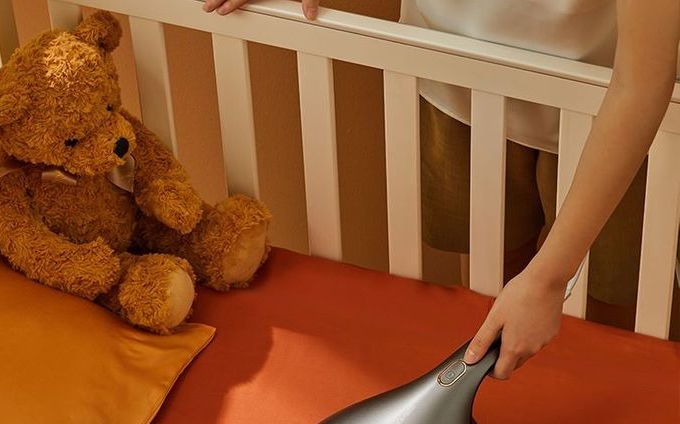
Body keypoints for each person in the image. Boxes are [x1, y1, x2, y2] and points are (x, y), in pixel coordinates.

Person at [203, 0, 680, 379]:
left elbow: (640, 84)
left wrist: (549, 279)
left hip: (609, 87)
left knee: (609, 305)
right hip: (457, 59)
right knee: (494, 279)